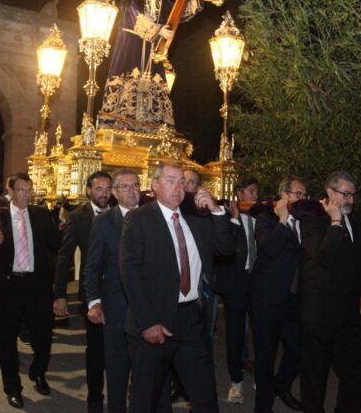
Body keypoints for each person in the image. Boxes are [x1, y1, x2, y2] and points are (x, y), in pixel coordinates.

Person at [119, 161, 233, 413]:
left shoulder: (197, 219)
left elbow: (225, 249)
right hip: (154, 320)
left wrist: (216, 211)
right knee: (147, 399)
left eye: (182, 182)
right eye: (170, 181)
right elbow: (130, 273)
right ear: (154, 185)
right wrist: (148, 322)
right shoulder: (139, 219)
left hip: (191, 319)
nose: (178, 187)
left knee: (205, 397)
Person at [298, 171, 361, 413]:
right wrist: (334, 222)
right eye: (346, 195)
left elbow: (359, 264)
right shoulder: (311, 218)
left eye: (353, 195)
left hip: (347, 316)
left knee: (355, 370)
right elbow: (324, 258)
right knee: (315, 380)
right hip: (318, 316)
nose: (351, 201)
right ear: (330, 193)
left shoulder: (355, 220)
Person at [0, 173, 60, 409]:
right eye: (21, 190)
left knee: (43, 334)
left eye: (29, 190)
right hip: (8, 285)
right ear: (9, 191)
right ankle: (12, 387)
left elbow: (55, 244)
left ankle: (38, 372)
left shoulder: (39, 214)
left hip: (36, 284)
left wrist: (65, 226)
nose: (26, 195)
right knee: (6, 337)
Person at [99, 0, 201, 132]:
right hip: (131, 43)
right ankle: (121, 125)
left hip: (152, 49)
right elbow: (133, 11)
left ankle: (150, 129)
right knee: (127, 82)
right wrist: (158, 29)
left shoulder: (164, 1)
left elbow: (180, 15)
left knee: (153, 86)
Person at [53, 171, 112, 413]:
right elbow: (64, 255)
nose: (104, 194)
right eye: (99, 188)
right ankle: (95, 398)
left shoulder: (124, 213)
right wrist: (60, 294)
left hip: (122, 292)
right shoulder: (78, 217)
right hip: (93, 293)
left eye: (108, 189)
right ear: (88, 190)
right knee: (96, 349)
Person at [83, 169, 139, 413]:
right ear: (115, 192)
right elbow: (92, 266)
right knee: (116, 372)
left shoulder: (154, 217)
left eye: (135, 185)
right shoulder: (104, 221)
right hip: (115, 308)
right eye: (125, 186)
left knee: (147, 373)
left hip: (148, 310)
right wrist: (93, 302)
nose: (132, 191)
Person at [251, 176, 306, 412]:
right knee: (265, 356)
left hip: (293, 301)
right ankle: (262, 407)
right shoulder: (266, 220)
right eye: (298, 194)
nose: (303, 199)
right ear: (284, 195)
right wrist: (283, 220)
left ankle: (281, 385)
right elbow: (271, 249)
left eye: (305, 195)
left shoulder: (307, 222)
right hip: (266, 300)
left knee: (300, 348)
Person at [217, 177, 259, 404]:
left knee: (262, 332)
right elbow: (223, 249)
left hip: (258, 282)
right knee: (235, 333)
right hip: (236, 283)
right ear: (240, 193)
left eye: (257, 192)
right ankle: (235, 381)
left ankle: (261, 377)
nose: (255, 196)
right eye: (252, 191)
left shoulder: (262, 216)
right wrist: (233, 221)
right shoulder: (225, 217)